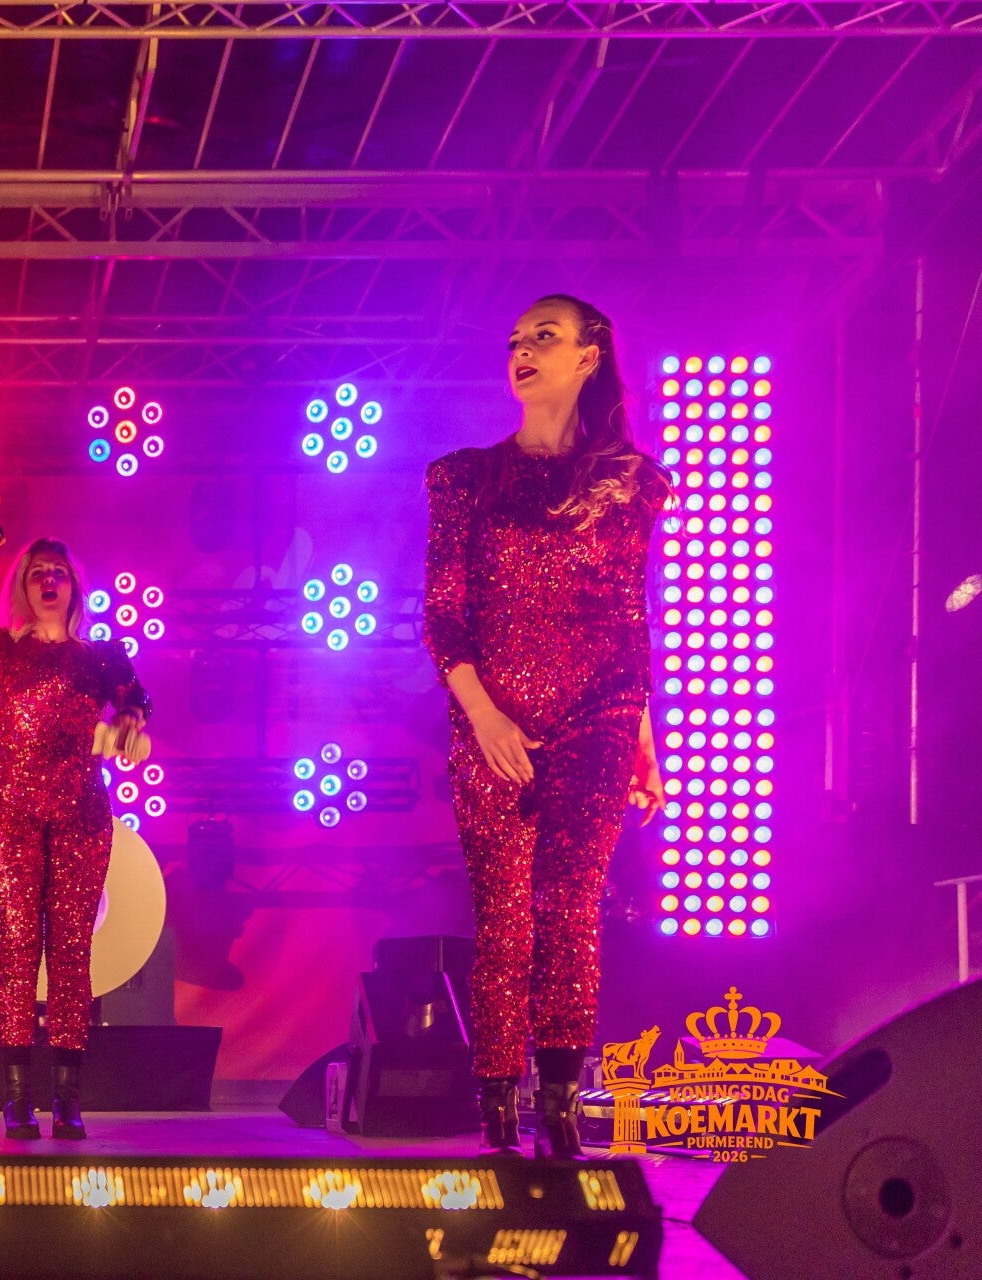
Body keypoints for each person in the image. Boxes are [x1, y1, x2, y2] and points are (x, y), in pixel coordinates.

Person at [422, 294, 670, 1159]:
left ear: (589, 356)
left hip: (601, 710)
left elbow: (630, 617)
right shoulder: (465, 478)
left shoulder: (632, 483)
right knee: (505, 913)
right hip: (494, 713)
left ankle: (560, 1108)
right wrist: (483, 714)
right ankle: (498, 1101)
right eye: (516, 339)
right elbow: (442, 615)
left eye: (545, 337)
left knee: (571, 907)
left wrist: (643, 740)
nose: (522, 350)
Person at [0, 507, 151, 1140]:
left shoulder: (103, 657)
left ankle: (67, 1100)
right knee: (17, 952)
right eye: (37, 571)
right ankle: (17, 1099)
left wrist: (131, 721)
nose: (48, 580)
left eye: (58, 572)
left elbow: (137, 700)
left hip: (80, 817)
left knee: (72, 955)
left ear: (74, 587)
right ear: (22, 586)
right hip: (10, 818)